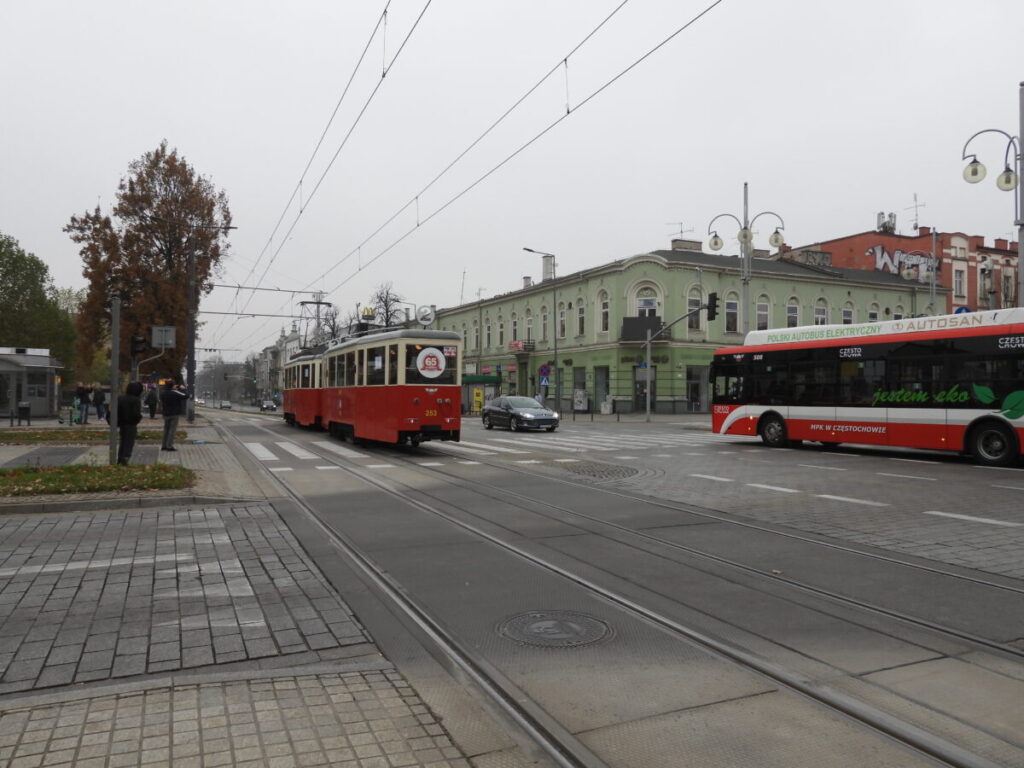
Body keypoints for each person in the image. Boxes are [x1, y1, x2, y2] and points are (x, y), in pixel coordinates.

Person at [113, 382, 144, 465]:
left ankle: (120, 459)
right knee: (129, 442)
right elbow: (136, 414)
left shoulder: (121, 398)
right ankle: (125, 459)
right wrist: (139, 418)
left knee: (123, 442)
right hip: (131, 424)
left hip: (122, 423)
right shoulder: (136, 400)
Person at [159, 379, 189, 451]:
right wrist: (184, 389)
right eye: (174, 385)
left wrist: (176, 389)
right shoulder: (175, 393)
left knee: (166, 429)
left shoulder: (163, 393)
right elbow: (186, 395)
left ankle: (164, 445)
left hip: (165, 414)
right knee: (172, 430)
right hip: (174, 414)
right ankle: (169, 446)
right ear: (172, 386)